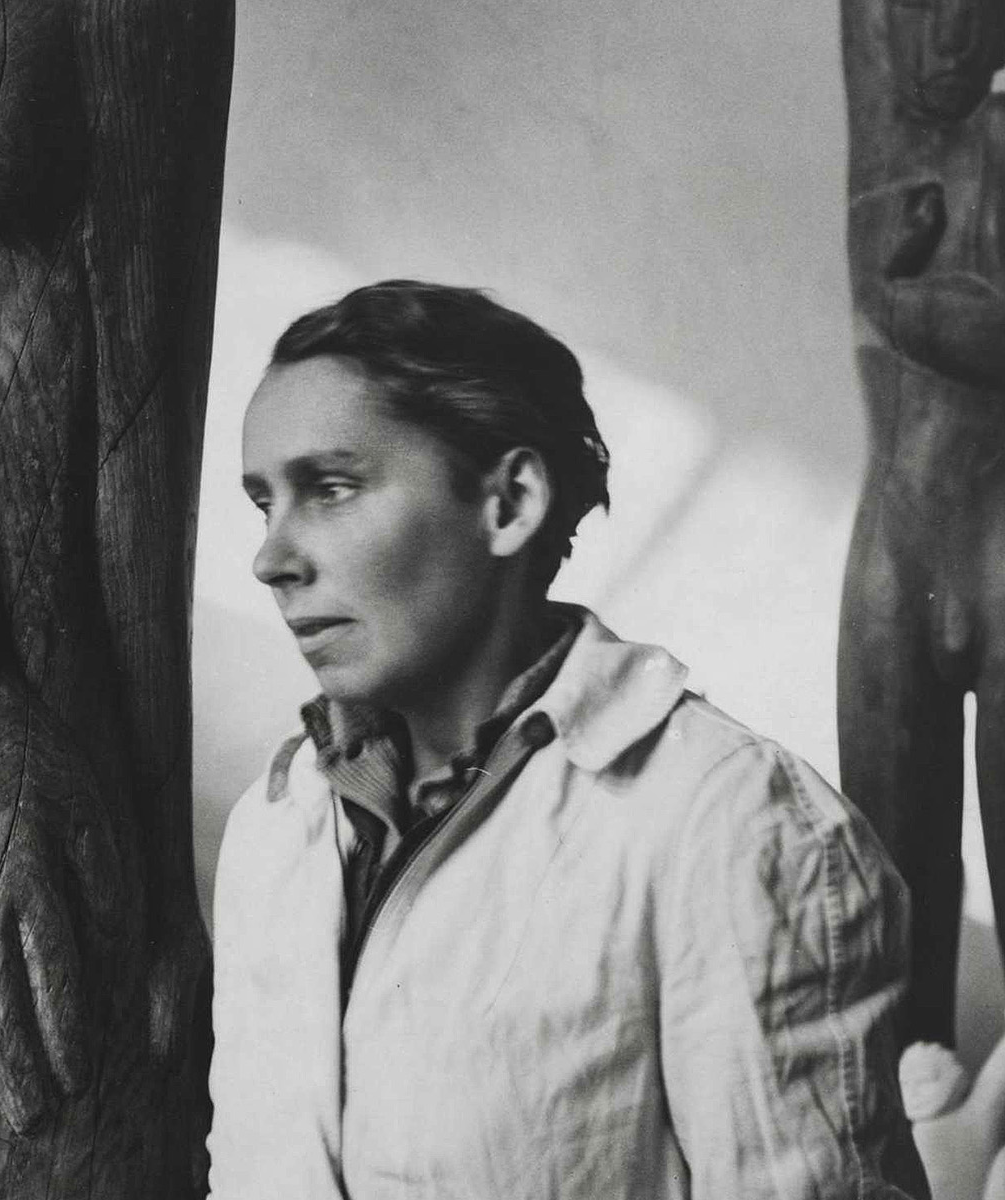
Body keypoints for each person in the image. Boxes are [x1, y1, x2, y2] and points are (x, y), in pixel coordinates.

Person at [207, 280, 924, 1198]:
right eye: (264, 503)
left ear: (509, 502)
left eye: (331, 490)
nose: (272, 557)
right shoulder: (277, 829)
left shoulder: (732, 824)